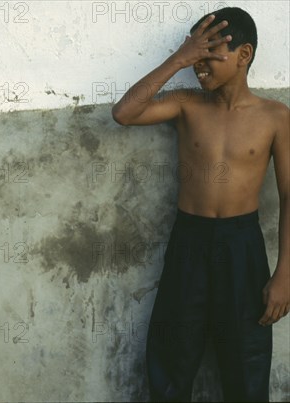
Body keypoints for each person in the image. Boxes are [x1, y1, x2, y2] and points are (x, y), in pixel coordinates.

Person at [112, 7, 289, 402]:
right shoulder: (186, 104)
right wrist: (178, 59)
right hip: (189, 241)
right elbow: (124, 113)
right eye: (196, 55)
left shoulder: (275, 117)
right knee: (173, 351)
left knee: (246, 357)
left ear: (244, 55)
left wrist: (285, 274)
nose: (200, 66)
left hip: (242, 245)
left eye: (210, 56)